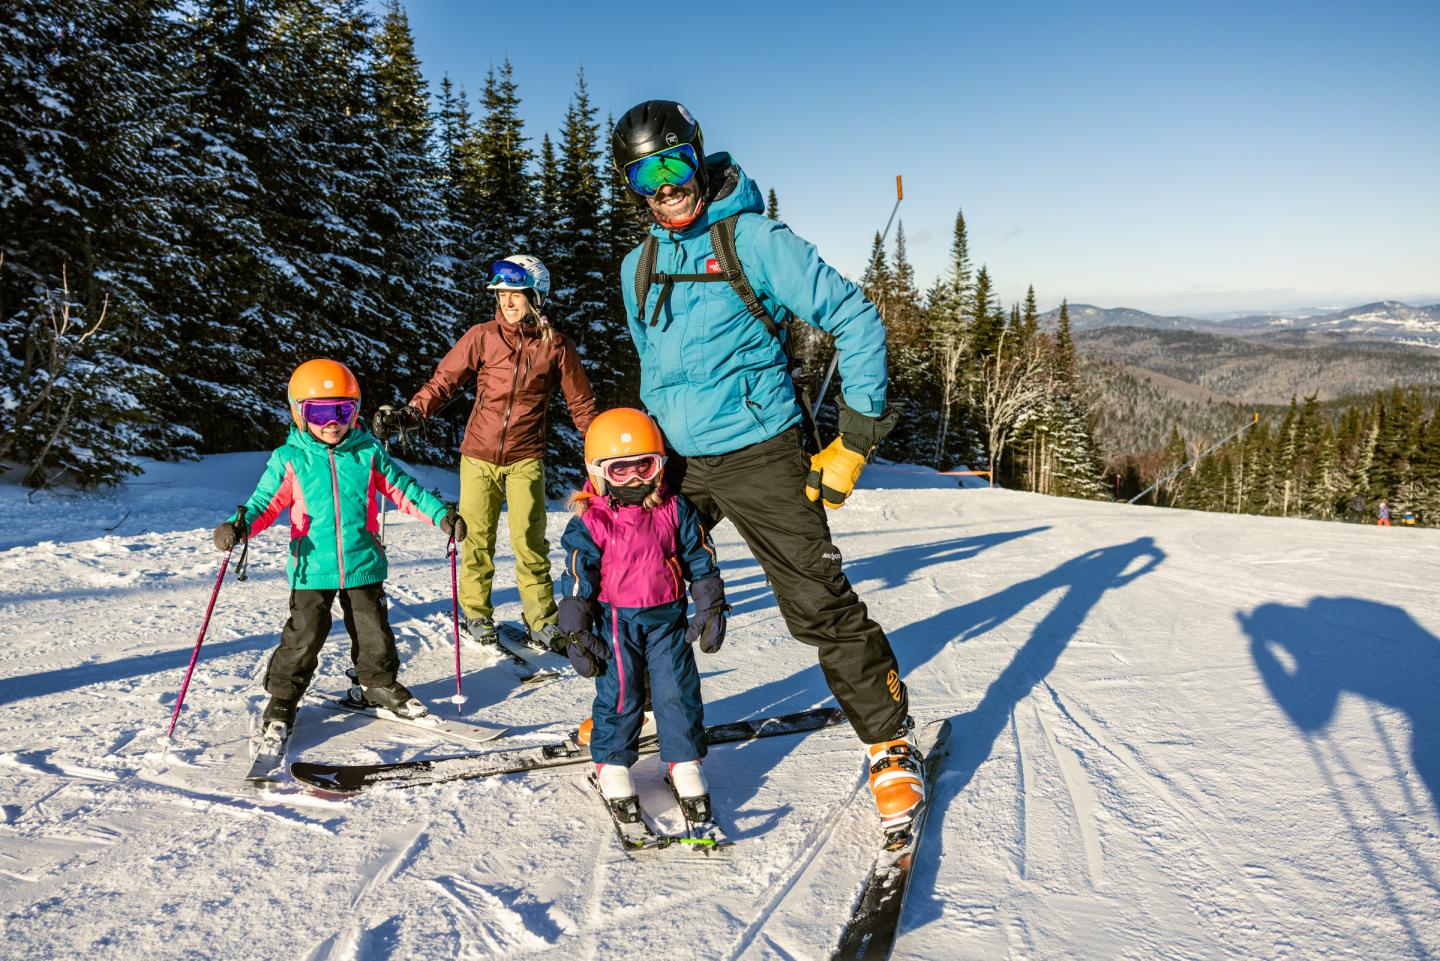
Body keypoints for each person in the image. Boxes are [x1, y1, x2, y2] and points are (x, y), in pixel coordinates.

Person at [608, 100, 920, 832]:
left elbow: (855, 316)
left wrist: (854, 438)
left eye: (674, 164)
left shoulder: (752, 238)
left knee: (817, 602)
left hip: (760, 449)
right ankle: (628, 722)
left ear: (697, 158)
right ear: (632, 187)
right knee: (634, 589)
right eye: (644, 174)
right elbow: (654, 368)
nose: (665, 185)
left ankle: (888, 743)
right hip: (676, 461)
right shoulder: (638, 265)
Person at [213, 359, 465, 740]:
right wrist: (240, 525)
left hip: (362, 561)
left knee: (374, 632)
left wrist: (442, 516)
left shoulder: (367, 454)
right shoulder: (290, 458)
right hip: (311, 566)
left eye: (342, 410)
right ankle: (283, 696)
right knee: (305, 634)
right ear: (300, 414)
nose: (332, 422)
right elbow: (265, 502)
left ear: (355, 411)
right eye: (319, 412)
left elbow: (406, 491)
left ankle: (378, 683)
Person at [374, 255, 598, 649]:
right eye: (502, 295)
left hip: (526, 457)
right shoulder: (482, 336)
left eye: (516, 294)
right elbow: (444, 381)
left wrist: (601, 450)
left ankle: (541, 621)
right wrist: (412, 413)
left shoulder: (557, 347)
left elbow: (582, 406)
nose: (508, 302)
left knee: (529, 541)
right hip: (477, 456)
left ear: (535, 296)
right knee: (476, 539)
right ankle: (476, 613)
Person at [556, 408, 726, 818]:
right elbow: (578, 573)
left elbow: (700, 558)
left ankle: (683, 761)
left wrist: (710, 602)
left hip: (668, 620)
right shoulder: (592, 519)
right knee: (620, 691)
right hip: (617, 622)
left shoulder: (675, 509)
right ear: (598, 473)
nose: (634, 479)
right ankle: (612, 763)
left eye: (644, 466)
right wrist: (576, 628)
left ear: (660, 466)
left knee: (676, 691)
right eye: (620, 471)